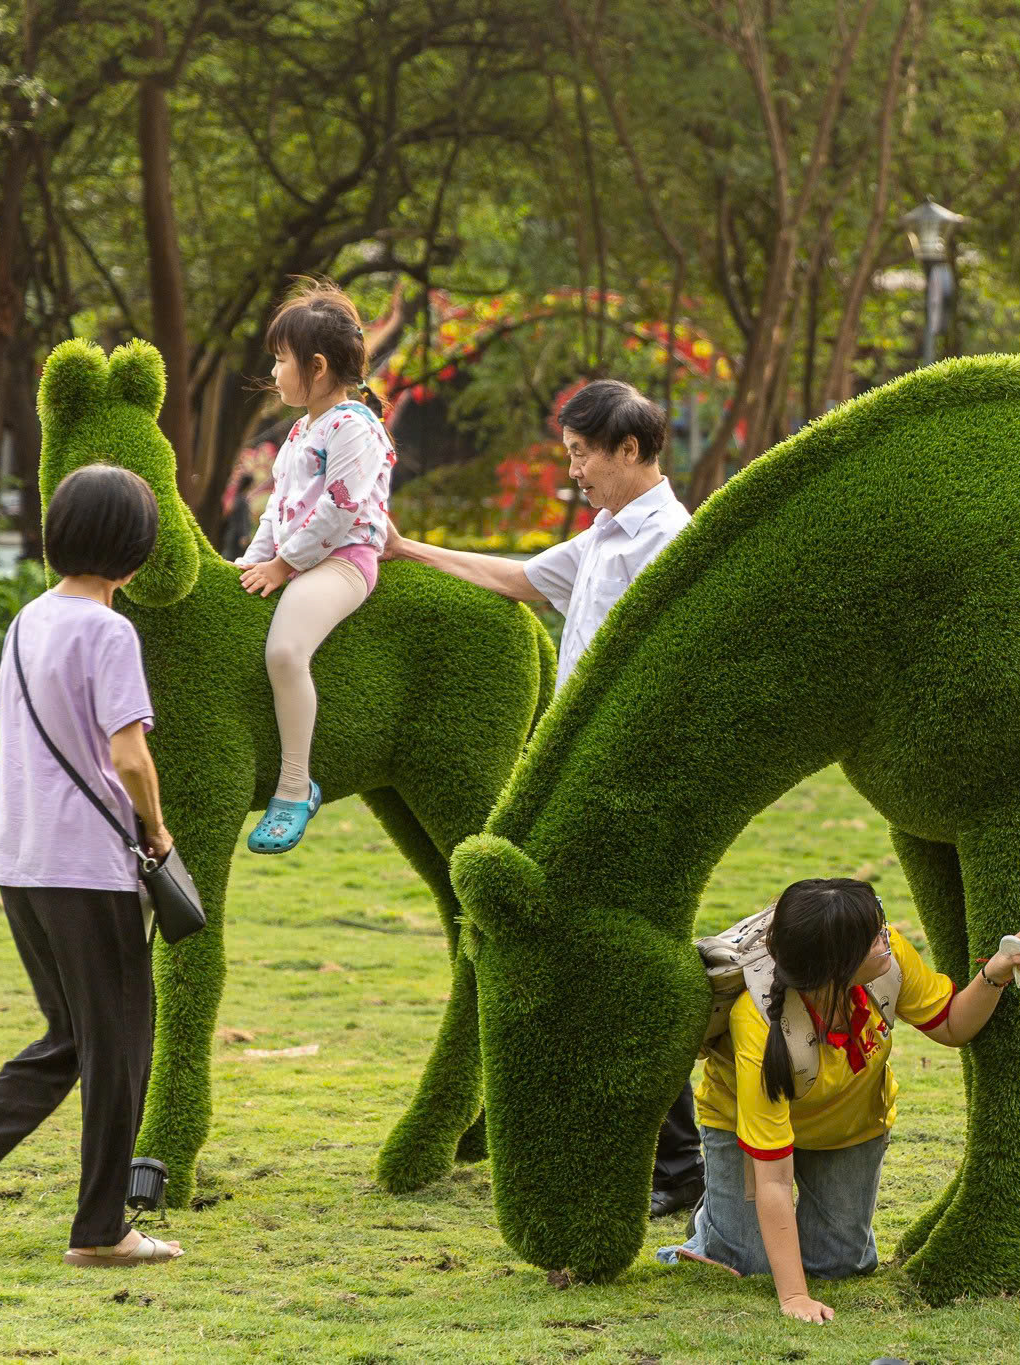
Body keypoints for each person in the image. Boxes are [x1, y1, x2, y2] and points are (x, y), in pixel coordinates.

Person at [380, 377, 705, 1211]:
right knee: (578, 956)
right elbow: (523, 578)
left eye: (581, 456)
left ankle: (679, 1163)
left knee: (618, 959)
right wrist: (410, 551)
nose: (574, 475)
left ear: (629, 450)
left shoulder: (669, 540)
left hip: (629, 783)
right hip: (580, 774)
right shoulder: (603, 535)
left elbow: (673, 678)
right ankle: (646, 1154)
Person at [0, 465, 183, 1266]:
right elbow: (130, 756)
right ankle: (102, 1229)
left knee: (75, 1031)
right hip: (88, 865)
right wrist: (158, 831)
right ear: (133, 551)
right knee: (123, 1041)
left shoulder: (30, 619)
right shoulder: (110, 630)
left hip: (22, 859)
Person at [670, 878, 1020, 1323]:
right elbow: (773, 1179)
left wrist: (993, 974)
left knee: (838, 1265)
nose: (885, 936)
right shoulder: (756, 1022)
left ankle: (734, 1216)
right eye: (873, 935)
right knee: (749, 1265)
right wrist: (793, 1298)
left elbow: (952, 1027)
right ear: (837, 964)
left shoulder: (888, 959)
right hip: (749, 1135)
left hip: (849, 1128)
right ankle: (711, 1226)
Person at [234, 279, 396, 855]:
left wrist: (281, 566)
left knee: (284, 651)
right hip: (298, 560)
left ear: (318, 366)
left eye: (281, 360)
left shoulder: (355, 427)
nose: (274, 373)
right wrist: (252, 563)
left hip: (343, 561)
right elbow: (279, 510)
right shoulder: (304, 429)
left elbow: (337, 510)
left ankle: (294, 786)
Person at [216, 468, 258, 562]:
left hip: (231, 532)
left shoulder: (237, 498)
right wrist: (244, 535)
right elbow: (243, 520)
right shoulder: (242, 500)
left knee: (229, 555)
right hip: (237, 536)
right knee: (233, 558)